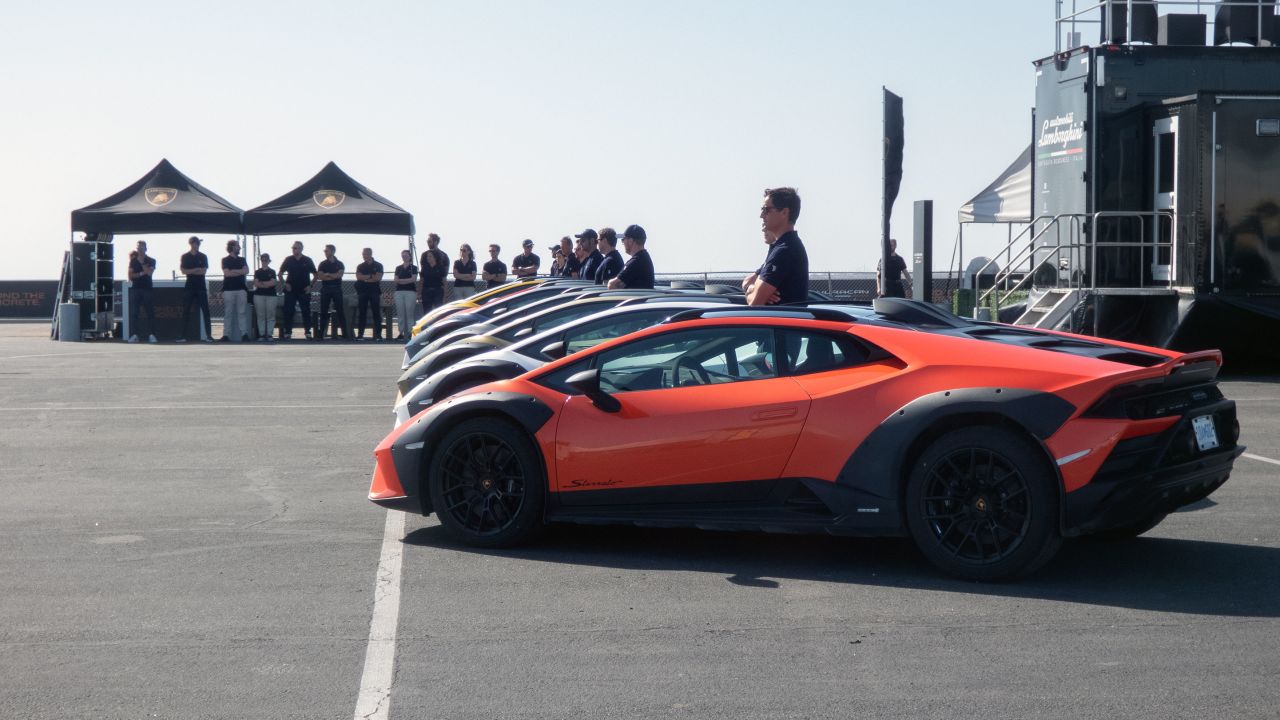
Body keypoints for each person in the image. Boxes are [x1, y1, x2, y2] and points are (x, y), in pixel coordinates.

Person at [743, 186, 809, 306]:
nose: (761, 215)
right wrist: (756, 289)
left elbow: (754, 303)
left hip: (781, 323)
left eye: (766, 210)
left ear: (784, 212)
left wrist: (751, 290)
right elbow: (748, 284)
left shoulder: (785, 250)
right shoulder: (783, 247)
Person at [279, 241, 317, 340]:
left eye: (296, 248)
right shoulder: (288, 259)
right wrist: (284, 284)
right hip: (291, 289)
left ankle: (308, 332)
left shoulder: (307, 260)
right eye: (293, 248)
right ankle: (287, 332)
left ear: (301, 249)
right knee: (288, 311)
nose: (294, 250)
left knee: (306, 311)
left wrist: (310, 286)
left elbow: (315, 274)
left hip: (304, 289)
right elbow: (280, 273)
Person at [177, 236, 212, 343]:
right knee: (186, 311)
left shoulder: (203, 256)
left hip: (201, 287)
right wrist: (196, 269)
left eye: (198, 243)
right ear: (191, 244)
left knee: (206, 311)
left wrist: (191, 271)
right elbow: (183, 271)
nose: (197, 245)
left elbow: (203, 272)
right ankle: (182, 336)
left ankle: (209, 336)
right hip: (189, 287)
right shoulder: (185, 256)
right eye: (195, 243)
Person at [316, 244, 349, 340]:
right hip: (325, 288)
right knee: (323, 311)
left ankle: (345, 334)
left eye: (327, 251)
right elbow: (321, 277)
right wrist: (332, 275)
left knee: (340, 311)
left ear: (333, 251)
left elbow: (339, 275)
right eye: (324, 251)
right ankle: (320, 335)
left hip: (337, 288)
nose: (325, 252)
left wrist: (328, 274)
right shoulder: (322, 264)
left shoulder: (340, 264)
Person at [127, 239, 157, 343]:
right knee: (135, 313)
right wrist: (141, 273)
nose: (140, 250)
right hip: (136, 289)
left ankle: (152, 335)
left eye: (142, 248)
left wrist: (143, 270)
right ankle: (135, 335)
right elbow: (130, 276)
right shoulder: (133, 261)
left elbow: (149, 273)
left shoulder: (151, 260)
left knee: (150, 313)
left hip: (147, 289)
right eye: (138, 248)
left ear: (146, 248)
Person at [221, 239, 251, 341]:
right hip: (228, 290)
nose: (239, 248)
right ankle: (226, 335)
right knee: (228, 313)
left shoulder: (242, 259)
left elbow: (246, 271)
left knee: (241, 312)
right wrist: (240, 271)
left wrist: (233, 270)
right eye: (238, 246)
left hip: (241, 289)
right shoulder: (225, 260)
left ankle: (244, 334)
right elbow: (227, 273)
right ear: (232, 247)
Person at [608, 225, 655, 289]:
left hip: (635, 298)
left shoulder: (636, 261)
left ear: (630, 241)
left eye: (623, 239)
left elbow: (612, 285)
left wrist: (611, 282)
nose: (623, 243)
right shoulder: (643, 258)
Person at [354, 247, 384, 341]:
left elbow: (378, 278)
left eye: (365, 254)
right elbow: (359, 277)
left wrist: (365, 279)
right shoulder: (360, 266)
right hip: (363, 292)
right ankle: (360, 335)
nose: (364, 256)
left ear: (370, 254)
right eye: (363, 254)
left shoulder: (378, 265)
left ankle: (378, 335)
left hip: (374, 291)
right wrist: (371, 276)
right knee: (362, 313)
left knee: (376, 313)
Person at [419, 233, 449, 312]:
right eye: (427, 241)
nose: (428, 243)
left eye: (429, 241)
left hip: (438, 289)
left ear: (435, 242)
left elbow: (445, 274)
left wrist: (445, 294)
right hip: (426, 289)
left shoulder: (444, 256)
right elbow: (422, 274)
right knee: (426, 312)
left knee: (439, 311)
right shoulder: (424, 255)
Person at [252, 253, 279, 342]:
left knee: (270, 315)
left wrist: (262, 283)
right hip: (259, 295)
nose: (264, 261)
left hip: (271, 295)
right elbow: (256, 283)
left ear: (269, 261)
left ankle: (269, 334)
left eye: (266, 260)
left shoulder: (272, 271)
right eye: (263, 260)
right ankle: (262, 334)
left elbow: (273, 283)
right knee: (261, 315)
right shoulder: (257, 272)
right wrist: (266, 284)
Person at [392, 249, 418, 340]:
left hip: (410, 292)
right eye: (402, 256)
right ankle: (401, 332)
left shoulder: (413, 268)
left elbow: (413, 279)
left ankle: (411, 332)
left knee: (409, 313)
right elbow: (396, 280)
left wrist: (401, 281)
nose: (404, 257)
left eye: (406, 255)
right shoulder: (398, 268)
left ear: (410, 256)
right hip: (399, 291)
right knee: (400, 313)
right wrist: (406, 280)